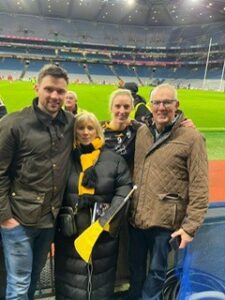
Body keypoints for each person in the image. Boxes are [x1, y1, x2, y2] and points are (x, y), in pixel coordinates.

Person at [0, 64, 74, 300]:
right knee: (19, 285)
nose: (55, 96)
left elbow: (97, 132)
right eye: (49, 89)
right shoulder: (14, 124)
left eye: (60, 91)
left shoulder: (70, 122)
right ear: (37, 88)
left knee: (32, 280)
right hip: (18, 220)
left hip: (48, 221)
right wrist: (5, 217)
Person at [128, 83, 208, 300]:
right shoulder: (142, 131)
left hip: (166, 223)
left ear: (177, 105)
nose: (161, 107)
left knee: (157, 275)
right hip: (137, 219)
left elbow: (200, 186)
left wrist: (190, 227)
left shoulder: (192, 138)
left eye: (167, 102)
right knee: (135, 273)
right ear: (150, 105)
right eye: (157, 102)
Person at [54, 111, 132, 300]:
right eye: (80, 128)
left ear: (98, 130)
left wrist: (106, 219)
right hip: (70, 236)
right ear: (74, 131)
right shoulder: (64, 159)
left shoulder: (114, 160)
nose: (85, 132)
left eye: (90, 128)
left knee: (100, 284)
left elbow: (124, 191)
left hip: (102, 236)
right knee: (69, 284)